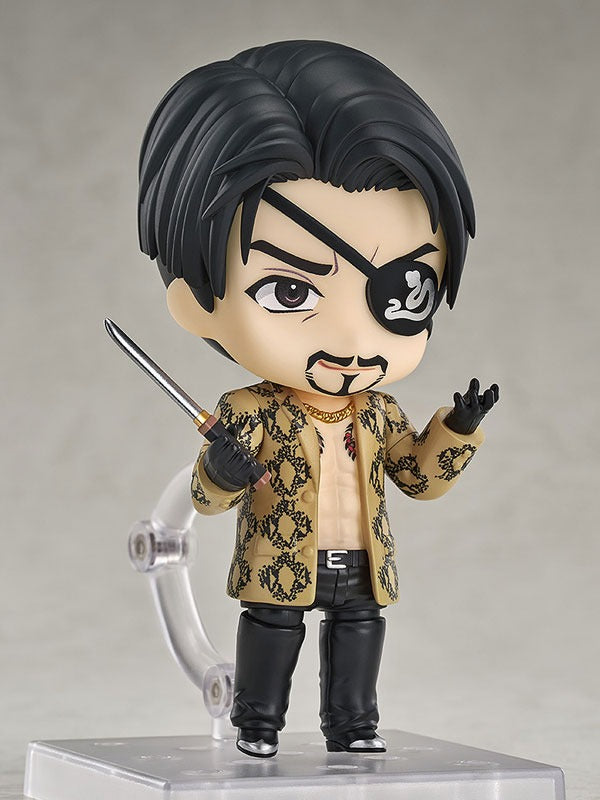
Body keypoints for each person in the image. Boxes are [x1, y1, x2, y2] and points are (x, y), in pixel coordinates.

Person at [137, 40, 499, 758]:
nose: (351, 339)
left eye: (403, 293)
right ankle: (257, 724)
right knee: (272, 635)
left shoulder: (380, 412)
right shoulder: (248, 411)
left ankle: (353, 726)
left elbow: (415, 477)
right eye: (290, 291)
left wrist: (456, 429)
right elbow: (206, 498)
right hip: (279, 560)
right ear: (197, 300)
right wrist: (224, 473)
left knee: (359, 637)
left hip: (360, 562)